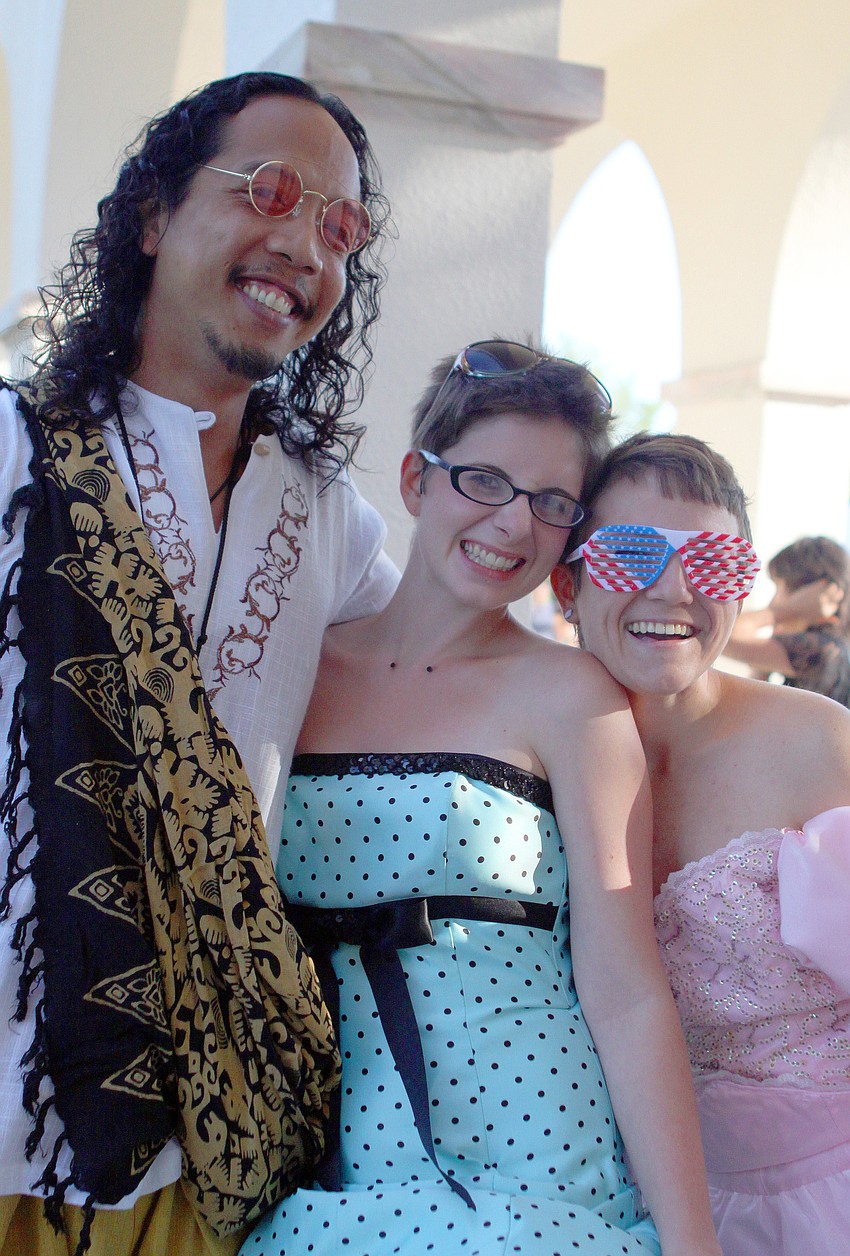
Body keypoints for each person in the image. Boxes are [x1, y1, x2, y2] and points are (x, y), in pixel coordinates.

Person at [0, 71, 397, 1255]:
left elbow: (462, 674)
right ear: (153, 214)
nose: (303, 245)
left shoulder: (334, 522)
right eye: (268, 191)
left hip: (204, 1124)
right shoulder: (16, 451)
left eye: (339, 227)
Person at [242, 341, 721, 1256]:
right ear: (418, 479)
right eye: (485, 481)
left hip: (529, 1150)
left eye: (551, 504)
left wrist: (691, 1239)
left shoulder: (572, 697)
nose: (513, 525)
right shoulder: (295, 667)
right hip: (318, 1139)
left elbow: (623, 989)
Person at [553, 433, 850, 1254]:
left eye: (714, 563)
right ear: (567, 580)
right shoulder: (525, 757)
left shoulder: (819, 745)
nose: (673, 588)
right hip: (615, 1200)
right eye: (631, 553)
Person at [722, 535, 850, 707]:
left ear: (811, 592)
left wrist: (780, 612)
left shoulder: (822, 649)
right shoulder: (827, 647)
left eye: (779, 588)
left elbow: (723, 635)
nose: (772, 601)